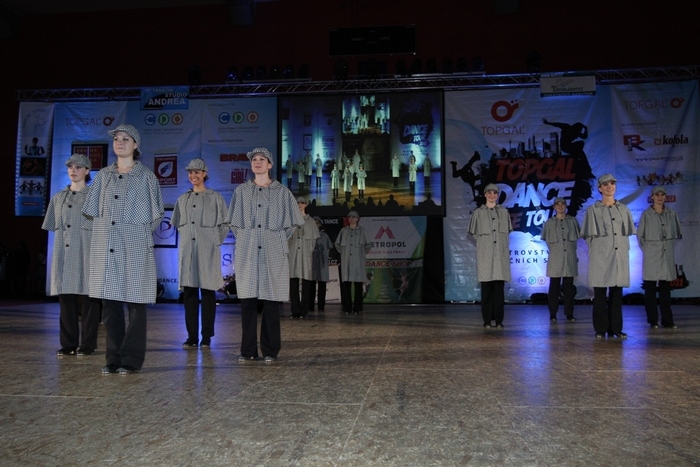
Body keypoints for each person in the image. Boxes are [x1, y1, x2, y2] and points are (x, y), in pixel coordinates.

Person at [83, 124, 164, 375]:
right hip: (107, 248)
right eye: (117, 139)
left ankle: (131, 359)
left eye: (126, 139)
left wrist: (137, 236)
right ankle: (113, 357)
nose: (120, 142)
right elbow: (91, 211)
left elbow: (156, 215)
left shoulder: (147, 177)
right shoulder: (103, 176)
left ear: (136, 145)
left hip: (134, 247)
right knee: (110, 306)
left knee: (136, 306)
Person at [227, 147, 304, 362]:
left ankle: (270, 350)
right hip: (248, 250)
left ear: (270, 164)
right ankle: (248, 351)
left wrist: (276, 239)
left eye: (262, 159)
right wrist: (247, 238)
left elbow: (292, 224)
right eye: (254, 159)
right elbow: (234, 223)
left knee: (271, 302)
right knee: (248, 302)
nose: (257, 162)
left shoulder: (282, 192)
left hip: (273, 250)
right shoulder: (241, 191)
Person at [42, 153, 99, 357]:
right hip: (64, 254)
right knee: (66, 300)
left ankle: (88, 344)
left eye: (78, 167)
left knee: (90, 301)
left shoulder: (95, 197)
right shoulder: (58, 198)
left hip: (87, 252)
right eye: (70, 167)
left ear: (87, 171)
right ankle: (68, 344)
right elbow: (51, 226)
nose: (73, 170)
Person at [171, 158, 229, 349]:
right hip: (188, 252)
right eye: (190, 172)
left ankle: (206, 337)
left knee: (208, 292)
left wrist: (215, 241)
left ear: (205, 173)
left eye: (197, 172)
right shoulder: (183, 199)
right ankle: (191, 337)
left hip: (208, 251)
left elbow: (225, 223)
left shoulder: (215, 198)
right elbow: (177, 224)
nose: (193, 175)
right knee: (189, 294)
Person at [581, 174, 635, 339]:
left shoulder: (623, 209)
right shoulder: (593, 210)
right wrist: (599, 249)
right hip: (601, 256)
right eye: (605, 184)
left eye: (612, 183)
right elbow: (588, 235)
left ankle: (616, 328)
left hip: (619, 255)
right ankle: (600, 328)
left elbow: (626, 233)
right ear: (600, 188)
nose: (609, 187)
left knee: (616, 293)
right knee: (600, 293)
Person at [637, 185, 682, 329]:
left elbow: (677, 234)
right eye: (657, 195)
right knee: (650, 289)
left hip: (666, 255)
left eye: (662, 194)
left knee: (665, 289)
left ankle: (667, 320)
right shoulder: (646, 214)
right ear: (652, 197)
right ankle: (653, 320)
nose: (660, 197)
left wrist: (668, 246)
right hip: (652, 254)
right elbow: (640, 236)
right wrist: (648, 249)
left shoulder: (671, 214)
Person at [468, 183, 512, 328]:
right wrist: (484, 244)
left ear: (497, 195)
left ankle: (499, 320)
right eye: (489, 193)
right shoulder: (478, 213)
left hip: (500, 255)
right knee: (486, 289)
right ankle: (487, 319)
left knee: (499, 289)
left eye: (495, 193)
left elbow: (508, 232)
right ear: (485, 194)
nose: (492, 195)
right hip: (485, 255)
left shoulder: (504, 212)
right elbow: (473, 233)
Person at [541, 197, 581, 322]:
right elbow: (547, 240)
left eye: (562, 204)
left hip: (569, 258)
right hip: (556, 258)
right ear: (554, 207)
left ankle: (569, 314)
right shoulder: (549, 223)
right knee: (554, 288)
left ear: (566, 205)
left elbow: (578, 237)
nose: (560, 206)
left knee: (569, 288)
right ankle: (553, 314)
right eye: (557, 204)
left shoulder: (572, 221)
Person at [288, 196, 319, 318]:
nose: (300, 205)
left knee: (306, 283)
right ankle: (295, 310)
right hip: (293, 254)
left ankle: (304, 310)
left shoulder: (311, 222)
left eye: (302, 203)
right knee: (293, 283)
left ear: (306, 205)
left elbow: (313, 241)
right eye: (297, 203)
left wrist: (308, 252)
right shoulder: (290, 220)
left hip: (305, 255)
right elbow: (286, 238)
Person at [335, 210, 371, 314]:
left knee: (358, 285)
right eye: (349, 217)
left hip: (357, 261)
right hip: (346, 261)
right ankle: (347, 308)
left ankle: (357, 308)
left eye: (353, 217)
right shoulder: (343, 231)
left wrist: (361, 254)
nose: (351, 219)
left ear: (357, 219)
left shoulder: (362, 231)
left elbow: (368, 245)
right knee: (346, 285)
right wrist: (343, 252)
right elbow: (337, 244)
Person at [309, 216, 333, 313]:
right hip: (312, 262)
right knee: (311, 285)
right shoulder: (309, 234)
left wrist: (324, 253)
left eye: (317, 223)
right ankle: (310, 306)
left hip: (322, 262)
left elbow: (329, 248)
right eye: (314, 222)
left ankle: (321, 306)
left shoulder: (324, 236)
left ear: (320, 224)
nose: (315, 224)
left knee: (322, 285)